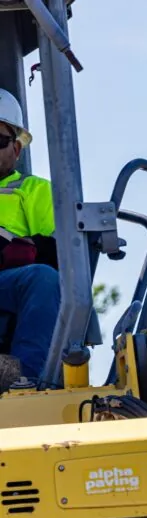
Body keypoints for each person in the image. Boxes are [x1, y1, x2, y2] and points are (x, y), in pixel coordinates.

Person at [0, 89, 60, 388]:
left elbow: (60, 253)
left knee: (43, 278)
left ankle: (22, 378)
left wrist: (13, 251)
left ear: (17, 150)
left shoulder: (34, 191)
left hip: (8, 284)